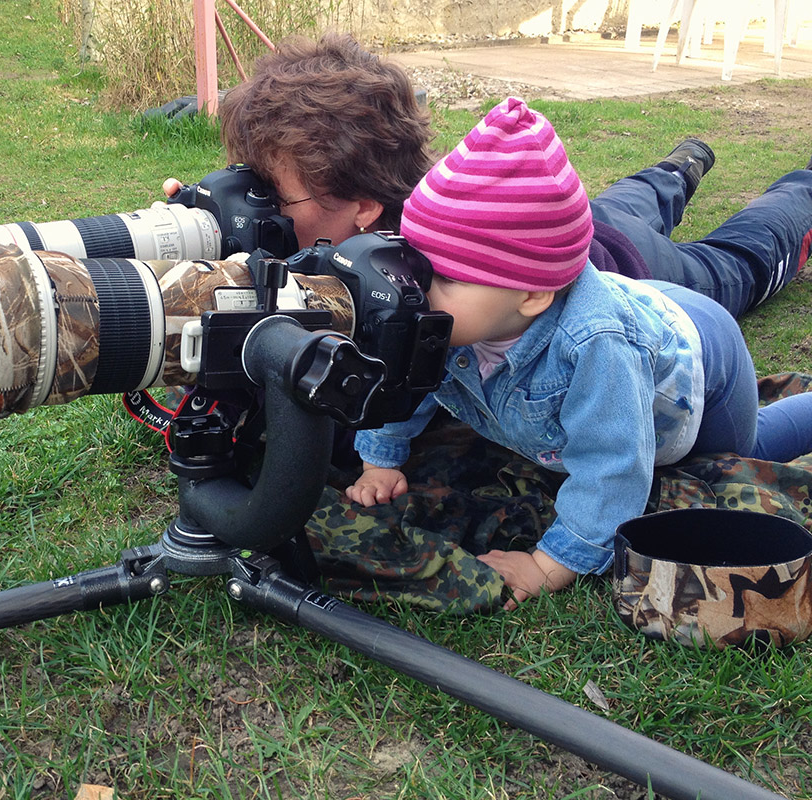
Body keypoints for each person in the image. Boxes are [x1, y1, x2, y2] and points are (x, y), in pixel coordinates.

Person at [344, 97, 812, 610]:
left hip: (703, 357)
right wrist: (380, 459)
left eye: (447, 278)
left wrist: (549, 563)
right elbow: (402, 382)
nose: (418, 288)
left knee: (742, 454)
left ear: (531, 296)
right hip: (642, 304)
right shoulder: (449, 313)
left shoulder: (595, 350)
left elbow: (613, 466)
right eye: (417, 265)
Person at [169, 32, 805, 320]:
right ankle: (680, 165)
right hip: (570, 224)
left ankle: (800, 193)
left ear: (363, 208)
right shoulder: (343, 217)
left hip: (623, 269)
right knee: (634, 198)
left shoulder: (421, 280)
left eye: (271, 192)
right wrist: (190, 247)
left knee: (740, 263)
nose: (255, 205)